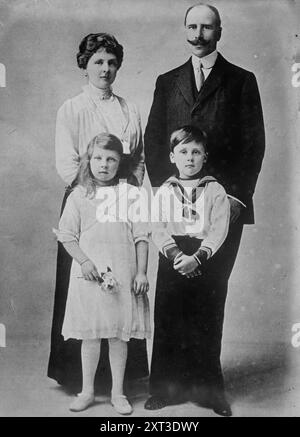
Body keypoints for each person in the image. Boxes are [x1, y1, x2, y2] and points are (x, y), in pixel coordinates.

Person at [144, 3, 265, 415]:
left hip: (221, 209)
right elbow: (154, 142)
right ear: (185, 30)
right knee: (171, 295)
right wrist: (167, 195)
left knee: (210, 295)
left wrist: (235, 199)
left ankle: (209, 389)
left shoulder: (241, 81)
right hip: (174, 207)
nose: (199, 33)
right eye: (192, 26)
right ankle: (165, 385)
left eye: (207, 27)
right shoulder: (167, 82)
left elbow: (254, 144)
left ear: (219, 31)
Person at [48, 33, 148, 392]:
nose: (105, 69)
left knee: (121, 286)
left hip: (122, 202)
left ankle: (122, 381)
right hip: (85, 198)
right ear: (85, 65)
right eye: (98, 62)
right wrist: (94, 191)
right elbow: (67, 163)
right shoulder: (72, 108)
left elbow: (136, 159)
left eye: (111, 62)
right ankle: (80, 379)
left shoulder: (129, 108)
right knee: (87, 288)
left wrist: (128, 195)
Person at [53, 132, 150, 414]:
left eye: (111, 159)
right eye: (98, 158)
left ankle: (118, 393)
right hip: (91, 275)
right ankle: (87, 391)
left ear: (120, 163)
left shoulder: (131, 194)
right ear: (88, 160)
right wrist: (84, 262)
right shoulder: (79, 195)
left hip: (123, 271)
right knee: (91, 335)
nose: (104, 164)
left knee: (119, 335)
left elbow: (141, 236)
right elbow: (67, 235)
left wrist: (141, 272)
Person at [145, 125, 231, 415]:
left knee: (205, 323)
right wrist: (177, 256)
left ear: (205, 156)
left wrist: (199, 258)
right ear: (172, 156)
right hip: (172, 259)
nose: (190, 158)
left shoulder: (215, 189)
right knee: (169, 324)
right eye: (183, 151)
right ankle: (164, 391)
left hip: (205, 259)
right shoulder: (166, 190)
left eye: (196, 152)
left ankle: (210, 393)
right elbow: (157, 227)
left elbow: (220, 228)